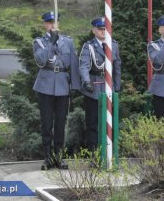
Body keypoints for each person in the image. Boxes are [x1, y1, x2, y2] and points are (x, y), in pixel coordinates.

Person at [33, 11, 80, 170]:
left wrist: (74, 85)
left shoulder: (67, 41)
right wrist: (51, 43)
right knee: (46, 123)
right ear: (45, 24)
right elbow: (40, 60)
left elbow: (73, 63)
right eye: (50, 22)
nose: (53, 24)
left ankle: (59, 157)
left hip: (62, 85)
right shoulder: (39, 42)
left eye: (55, 21)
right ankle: (47, 157)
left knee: (60, 123)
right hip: (45, 85)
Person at [79, 16, 121, 151]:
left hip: (109, 87)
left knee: (109, 121)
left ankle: (108, 151)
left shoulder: (113, 45)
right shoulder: (89, 46)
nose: (103, 31)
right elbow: (84, 65)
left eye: (105, 29)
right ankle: (94, 153)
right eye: (100, 29)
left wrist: (117, 86)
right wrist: (86, 81)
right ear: (94, 30)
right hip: (93, 87)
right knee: (93, 123)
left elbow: (117, 68)